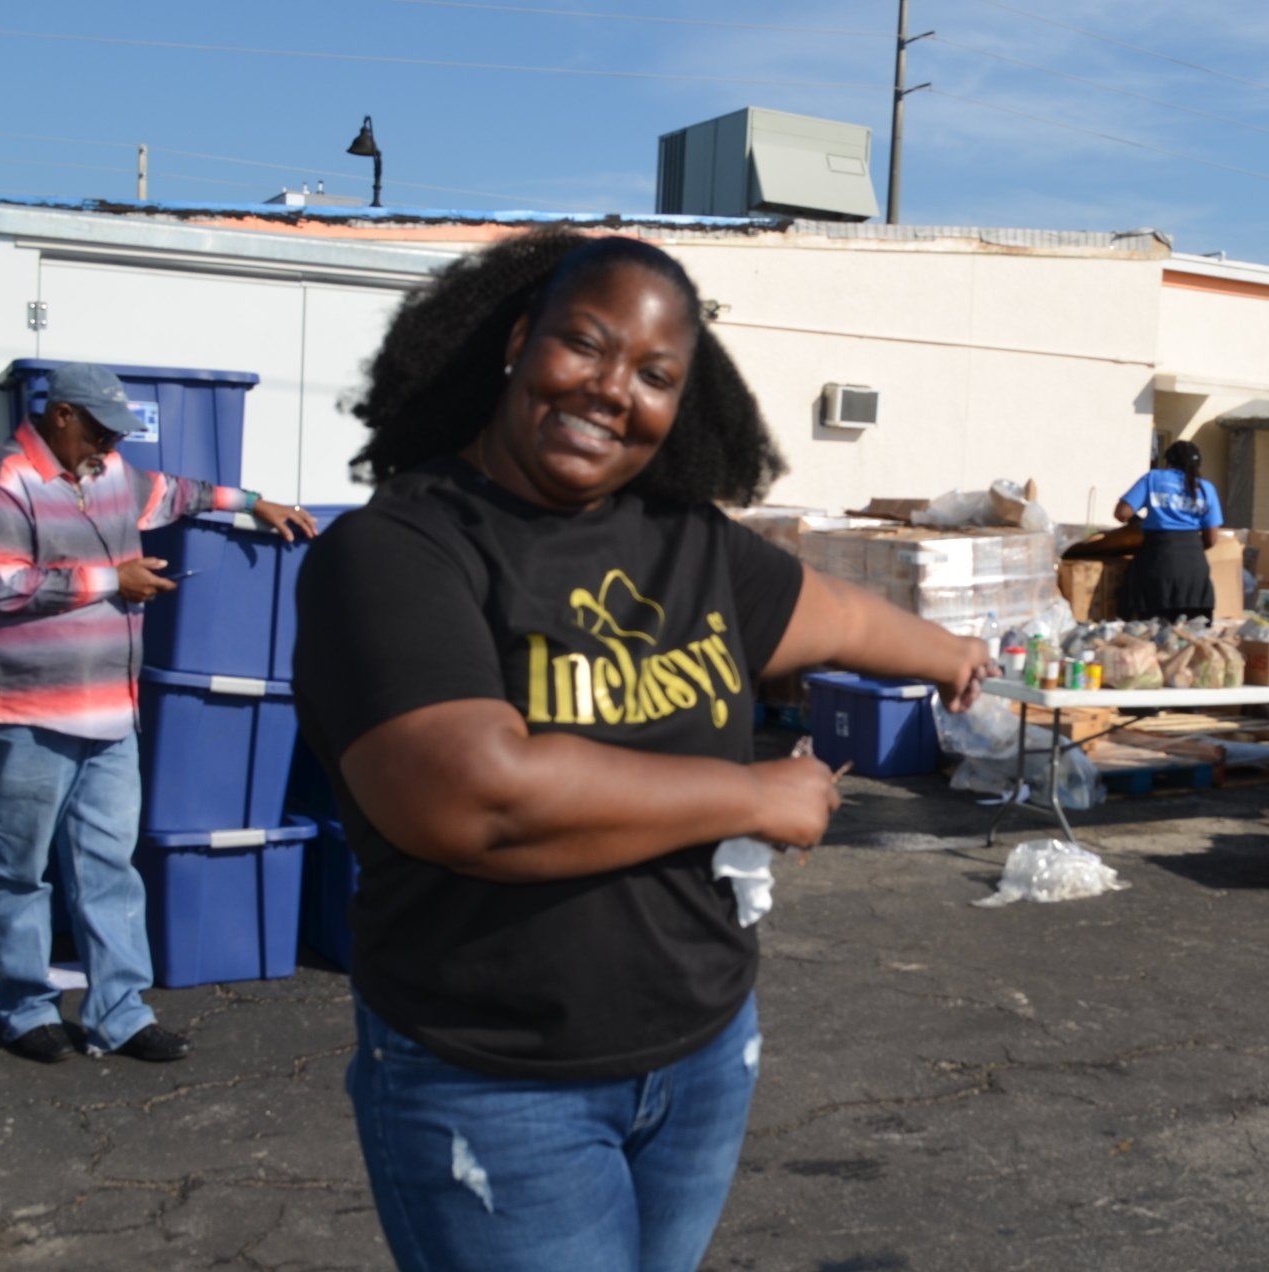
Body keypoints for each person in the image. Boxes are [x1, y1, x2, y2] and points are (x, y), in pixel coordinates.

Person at [292, 232, 992, 1272]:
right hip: (497, 1080)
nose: (614, 389)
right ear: (519, 342)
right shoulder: (400, 551)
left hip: (702, 1053)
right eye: (585, 344)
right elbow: (476, 800)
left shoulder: (686, 540)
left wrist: (954, 655)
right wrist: (753, 796)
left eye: (656, 376)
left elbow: (837, 615)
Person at [0, 364, 317, 1065]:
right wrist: (110, 579)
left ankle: (120, 1014)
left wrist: (255, 501)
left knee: (110, 868)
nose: (110, 444)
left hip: (112, 716)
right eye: (99, 431)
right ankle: (27, 1010)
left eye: (117, 434)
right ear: (60, 414)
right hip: (23, 716)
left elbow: (177, 492)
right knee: (19, 871)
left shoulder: (110, 471)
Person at [1113, 439, 1223, 621]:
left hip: (1157, 561)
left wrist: (1139, 522)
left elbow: (1122, 513)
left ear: (1168, 461)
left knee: (1152, 631)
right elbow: (1211, 539)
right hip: (1194, 571)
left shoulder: (1153, 478)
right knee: (1192, 634)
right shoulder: (1206, 489)